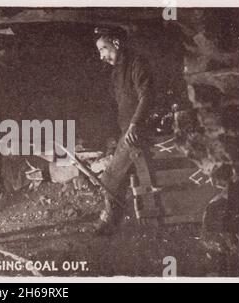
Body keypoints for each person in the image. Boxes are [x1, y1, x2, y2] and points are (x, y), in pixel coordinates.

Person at [93, 26, 156, 234]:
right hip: (127, 130)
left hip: (138, 131)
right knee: (117, 175)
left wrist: (134, 124)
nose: (102, 56)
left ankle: (110, 222)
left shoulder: (137, 63)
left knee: (110, 177)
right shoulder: (117, 71)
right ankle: (120, 217)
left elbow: (147, 95)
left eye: (104, 49)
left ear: (117, 44)